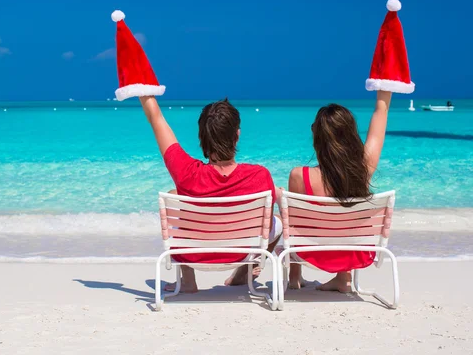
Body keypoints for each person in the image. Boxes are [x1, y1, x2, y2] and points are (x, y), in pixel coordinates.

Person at [139, 96, 282, 293]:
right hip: (241, 254)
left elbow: (157, 120)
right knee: (277, 221)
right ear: (237, 136)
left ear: (201, 138)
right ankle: (243, 272)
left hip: (193, 254)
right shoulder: (260, 176)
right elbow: (266, 225)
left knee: (175, 201)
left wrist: (142, 89)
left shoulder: (186, 172)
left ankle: (188, 281)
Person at [287, 90, 392, 292]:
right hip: (355, 253)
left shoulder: (300, 175)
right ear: (351, 135)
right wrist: (385, 86)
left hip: (314, 254)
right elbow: (381, 112)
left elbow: (294, 227)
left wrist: (294, 276)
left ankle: (295, 276)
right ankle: (344, 278)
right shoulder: (363, 167)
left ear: (316, 136)